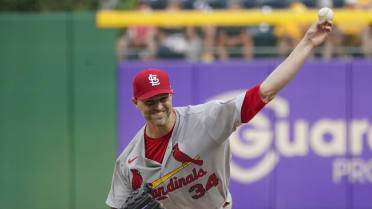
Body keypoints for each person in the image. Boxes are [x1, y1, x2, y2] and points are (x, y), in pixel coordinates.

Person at [106, 19, 333, 209]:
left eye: (163, 98)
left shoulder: (207, 120)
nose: (158, 106)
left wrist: (307, 43)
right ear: (136, 103)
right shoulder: (128, 163)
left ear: (171, 96)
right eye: (150, 101)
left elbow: (266, 91)